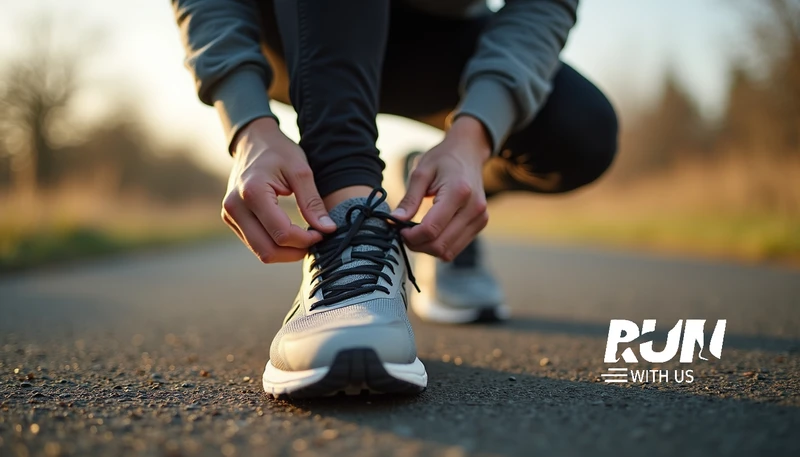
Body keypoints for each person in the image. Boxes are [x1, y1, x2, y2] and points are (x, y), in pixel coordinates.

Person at [172, 0, 617, 398]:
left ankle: (438, 208)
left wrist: (473, 136)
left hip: (436, 40)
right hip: (295, 29)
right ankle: (350, 232)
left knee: (582, 131)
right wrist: (247, 123)